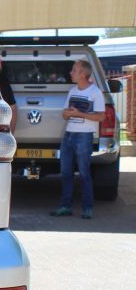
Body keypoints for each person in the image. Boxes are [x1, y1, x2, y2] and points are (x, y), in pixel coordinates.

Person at [50, 60, 105, 219]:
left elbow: (100, 116)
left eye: (74, 70)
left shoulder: (95, 92)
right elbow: (65, 113)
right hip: (68, 134)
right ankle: (65, 206)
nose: (71, 73)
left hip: (84, 136)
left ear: (83, 74)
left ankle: (87, 208)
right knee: (66, 172)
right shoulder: (72, 90)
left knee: (84, 173)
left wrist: (77, 114)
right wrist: (67, 113)